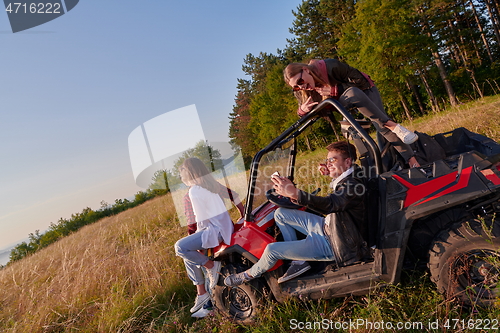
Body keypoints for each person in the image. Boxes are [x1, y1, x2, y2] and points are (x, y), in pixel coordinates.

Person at [224, 141, 367, 286]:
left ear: (348, 161)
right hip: (330, 227)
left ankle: (247, 275)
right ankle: (298, 262)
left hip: (333, 243)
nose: (328, 163)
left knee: (272, 250)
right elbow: (340, 197)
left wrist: (295, 193)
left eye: (333, 160)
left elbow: (332, 203)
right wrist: (332, 173)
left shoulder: (353, 185)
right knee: (280, 214)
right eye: (327, 160)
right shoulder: (352, 176)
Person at [284, 59, 420, 168]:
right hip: (344, 102)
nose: (301, 87)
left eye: (300, 81)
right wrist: (302, 111)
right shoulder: (306, 91)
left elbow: (360, 80)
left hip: (365, 89)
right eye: (296, 87)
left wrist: (334, 91)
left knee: (381, 127)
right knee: (362, 131)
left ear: (306, 70)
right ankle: (393, 131)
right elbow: (315, 112)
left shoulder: (330, 66)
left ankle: (412, 161)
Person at [174, 157, 244, 315]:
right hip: (226, 228)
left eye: (182, 172)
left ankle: (206, 298)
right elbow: (234, 195)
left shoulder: (191, 194)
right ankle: (203, 297)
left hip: (212, 232)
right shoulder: (212, 185)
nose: (180, 176)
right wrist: (243, 214)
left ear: (190, 172)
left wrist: (200, 246)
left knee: (184, 250)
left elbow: (196, 223)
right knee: (190, 255)